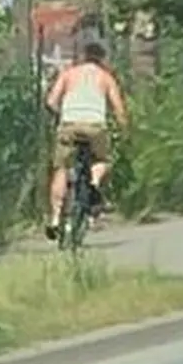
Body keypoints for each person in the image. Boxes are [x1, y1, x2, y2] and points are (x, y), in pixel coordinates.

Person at [47, 34, 129, 237]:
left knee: (61, 168)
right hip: (95, 126)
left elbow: (51, 101)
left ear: (83, 56)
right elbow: (118, 109)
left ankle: (55, 219)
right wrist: (124, 129)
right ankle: (93, 183)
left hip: (69, 124)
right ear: (102, 58)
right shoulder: (106, 77)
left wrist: (59, 115)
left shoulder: (68, 74)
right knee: (102, 160)